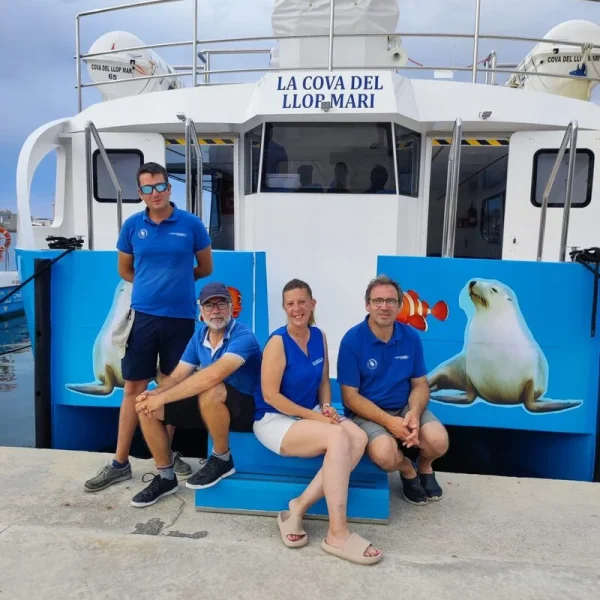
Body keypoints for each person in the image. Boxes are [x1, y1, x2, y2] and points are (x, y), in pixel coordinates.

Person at [83, 161, 213, 493]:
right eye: (147, 188)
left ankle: (165, 460)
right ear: (140, 193)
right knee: (133, 389)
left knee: (169, 390)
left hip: (181, 319)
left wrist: (178, 280)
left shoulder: (192, 224)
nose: (154, 193)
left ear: (169, 188)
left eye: (159, 186)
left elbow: (205, 267)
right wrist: (150, 286)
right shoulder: (131, 227)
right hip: (143, 319)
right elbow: (126, 270)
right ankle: (119, 463)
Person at [253, 279, 382, 565]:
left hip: (308, 412)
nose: (296, 308)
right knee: (338, 436)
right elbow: (270, 395)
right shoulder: (277, 342)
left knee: (358, 437)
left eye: (302, 301)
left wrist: (326, 407)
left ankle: (298, 506)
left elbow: (324, 381)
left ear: (313, 304)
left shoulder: (319, 335)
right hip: (275, 419)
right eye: (290, 304)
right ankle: (338, 533)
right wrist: (318, 417)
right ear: (284, 308)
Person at [131, 282, 261, 507]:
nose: (216, 310)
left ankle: (222, 459)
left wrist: (162, 398)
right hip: (213, 405)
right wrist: (154, 395)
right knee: (147, 409)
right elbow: (178, 376)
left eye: (221, 303)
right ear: (201, 311)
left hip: (247, 409)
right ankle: (165, 478)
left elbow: (212, 376)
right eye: (209, 305)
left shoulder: (244, 336)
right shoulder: (199, 334)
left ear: (231, 308)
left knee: (211, 388)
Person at [337, 275, 449, 506]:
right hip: (368, 413)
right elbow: (350, 397)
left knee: (438, 441)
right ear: (367, 305)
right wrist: (390, 422)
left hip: (404, 407)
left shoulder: (410, 337)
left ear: (399, 306)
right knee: (384, 455)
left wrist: (414, 415)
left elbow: (419, 385)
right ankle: (407, 469)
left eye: (390, 301)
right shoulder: (352, 341)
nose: (384, 307)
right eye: (378, 301)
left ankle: (425, 466)